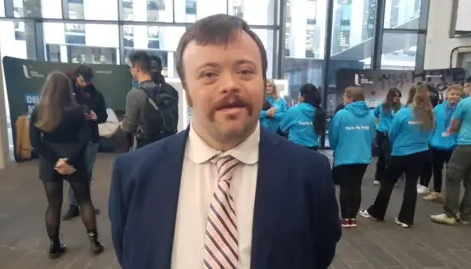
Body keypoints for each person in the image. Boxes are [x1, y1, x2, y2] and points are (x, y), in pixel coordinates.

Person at [109, 14, 341, 269]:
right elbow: (130, 253)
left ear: (264, 84)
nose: (230, 85)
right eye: (209, 74)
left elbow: (319, 255)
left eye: (245, 71)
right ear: (187, 90)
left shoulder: (309, 173)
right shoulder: (134, 173)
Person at [29, 71, 104, 259]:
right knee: (84, 200)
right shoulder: (77, 110)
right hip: (74, 161)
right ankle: (94, 242)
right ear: (67, 88)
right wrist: (67, 160)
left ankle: (54, 246)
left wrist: (55, 161)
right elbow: (84, 138)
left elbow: (35, 142)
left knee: (53, 204)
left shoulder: (39, 111)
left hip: (49, 163)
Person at [361, 84, 434, 228]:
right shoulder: (429, 114)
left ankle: (376, 213)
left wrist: (398, 145)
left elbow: (392, 134)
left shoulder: (403, 113)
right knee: (411, 185)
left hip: (401, 153)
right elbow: (430, 132)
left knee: (387, 183)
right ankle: (406, 219)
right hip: (421, 153)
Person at [63, 65, 107, 220]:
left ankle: (85, 203)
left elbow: (104, 116)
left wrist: (96, 117)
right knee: (73, 171)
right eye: (82, 81)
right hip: (73, 139)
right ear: (76, 77)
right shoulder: (67, 93)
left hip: (90, 138)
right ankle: (74, 205)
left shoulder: (96, 94)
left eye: (87, 82)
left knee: (87, 173)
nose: (85, 84)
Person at [329, 87, 376, 228]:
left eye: (344, 96)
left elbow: (333, 136)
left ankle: (344, 218)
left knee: (345, 187)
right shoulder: (371, 116)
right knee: (356, 186)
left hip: (344, 156)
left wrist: (336, 148)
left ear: (350, 98)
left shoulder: (341, 115)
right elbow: (372, 135)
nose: (343, 99)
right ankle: (352, 218)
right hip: (362, 156)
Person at [431, 76, 471, 225]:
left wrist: (451, 130)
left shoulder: (465, 103)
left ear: (469, 86)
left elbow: (454, 125)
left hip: (466, 144)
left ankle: (449, 213)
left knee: (452, 177)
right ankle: (465, 215)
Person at [122, 51, 179, 148]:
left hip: (146, 146)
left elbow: (128, 127)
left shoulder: (135, 94)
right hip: (168, 145)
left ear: (137, 68)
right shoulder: (170, 91)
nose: (130, 71)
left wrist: (122, 124)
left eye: (131, 67)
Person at [421, 85, 461, 201]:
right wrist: (431, 139)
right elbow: (432, 126)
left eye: (458, 94)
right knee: (436, 170)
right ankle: (436, 192)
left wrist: (457, 141)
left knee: (452, 173)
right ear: (447, 95)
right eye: (452, 94)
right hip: (437, 144)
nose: (455, 96)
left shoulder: (461, 109)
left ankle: (450, 196)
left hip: (453, 145)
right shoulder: (438, 109)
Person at [279, 83, 326, 150]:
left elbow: (281, 128)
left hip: (296, 149)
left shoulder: (294, 110)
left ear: (303, 96)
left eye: (299, 94)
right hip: (313, 149)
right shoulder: (319, 111)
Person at [373, 88, 402, 185]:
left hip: (395, 134)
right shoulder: (382, 106)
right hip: (382, 133)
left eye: (398, 96)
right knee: (381, 155)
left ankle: (392, 178)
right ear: (390, 96)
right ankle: (378, 177)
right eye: (395, 96)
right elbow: (375, 114)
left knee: (393, 156)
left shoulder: (401, 108)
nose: (396, 98)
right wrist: (378, 124)